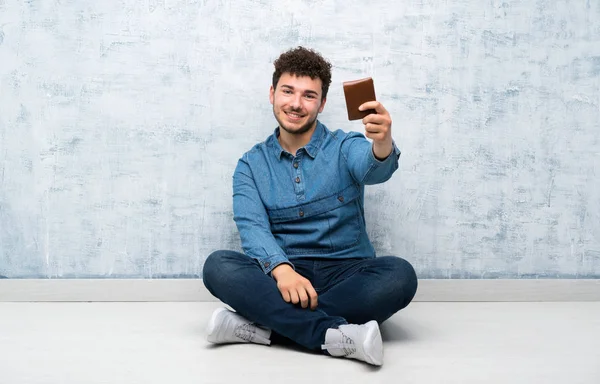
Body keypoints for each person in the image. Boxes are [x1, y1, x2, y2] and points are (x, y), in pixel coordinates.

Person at [202, 46, 417, 366]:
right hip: (282, 279)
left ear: (322, 103)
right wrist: (282, 270)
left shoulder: (345, 146)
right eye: (288, 91)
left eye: (309, 95)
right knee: (218, 266)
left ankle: (264, 328)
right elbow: (252, 228)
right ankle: (332, 336)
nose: (296, 104)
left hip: (348, 273)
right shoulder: (250, 165)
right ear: (272, 93)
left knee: (400, 275)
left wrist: (382, 142)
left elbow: (375, 168)